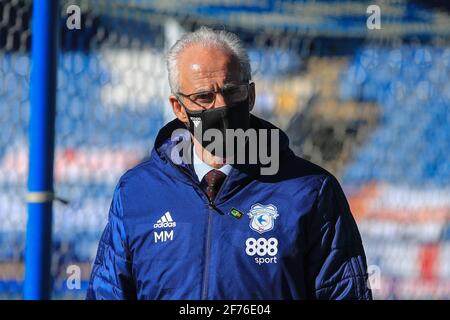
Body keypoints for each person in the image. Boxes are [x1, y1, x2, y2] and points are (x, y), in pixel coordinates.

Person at [86, 26, 372, 300]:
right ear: (179, 108)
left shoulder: (310, 191)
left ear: (250, 96)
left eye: (231, 91)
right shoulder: (137, 192)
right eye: (204, 97)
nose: (220, 106)